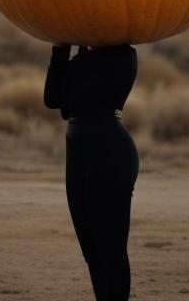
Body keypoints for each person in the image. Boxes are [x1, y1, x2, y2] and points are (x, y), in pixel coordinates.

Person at [44, 42, 139, 300]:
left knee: (111, 250)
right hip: (77, 152)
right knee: (92, 252)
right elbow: (52, 99)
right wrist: (60, 49)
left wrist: (76, 59)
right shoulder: (82, 57)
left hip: (110, 153)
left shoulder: (123, 56)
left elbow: (76, 100)